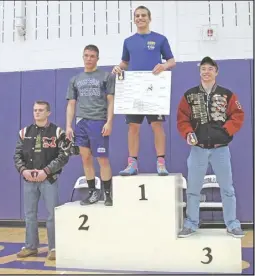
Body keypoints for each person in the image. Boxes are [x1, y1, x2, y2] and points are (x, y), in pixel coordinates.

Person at [177, 56, 245, 238]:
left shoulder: (227, 94)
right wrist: (188, 133)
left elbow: (238, 115)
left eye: (210, 69)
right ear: (199, 72)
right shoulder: (189, 95)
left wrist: (227, 131)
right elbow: (182, 118)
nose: (206, 72)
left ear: (216, 72)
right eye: (203, 69)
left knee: (227, 189)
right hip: (197, 149)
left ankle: (232, 223)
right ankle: (191, 223)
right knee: (193, 189)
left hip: (221, 149)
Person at [112, 5, 176, 176]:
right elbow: (125, 63)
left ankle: (161, 163)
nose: (140, 18)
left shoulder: (160, 39)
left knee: (157, 125)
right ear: (134, 19)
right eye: (137, 16)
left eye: (143, 15)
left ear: (149, 18)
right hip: (135, 89)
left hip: (154, 88)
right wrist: (118, 68)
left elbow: (172, 61)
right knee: (133, 127)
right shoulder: (128, 41)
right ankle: (132, 164)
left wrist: (163, 66)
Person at [13, 101, 69, 260]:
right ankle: (31, 247)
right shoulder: (24, 132)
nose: (37, 113)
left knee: (52, 215)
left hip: (49, 179)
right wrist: (24, 170)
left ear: (48, 112)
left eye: (40, 110)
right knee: (30, 214)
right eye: (35, 110)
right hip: (29, 180)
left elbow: (64, 155)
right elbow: (17, 156)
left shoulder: (58, 132)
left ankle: (54, 248)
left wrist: (47, 171)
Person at [66, 44, 115, 206]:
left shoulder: (106, 76)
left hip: (98, 121)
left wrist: (109, 122)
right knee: (85, 158)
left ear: (97, 58)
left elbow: (110, 101)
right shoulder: (75, 80)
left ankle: (108, 194)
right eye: (86, 55)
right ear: (83, 57)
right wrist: (68, 126)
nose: (89, 58)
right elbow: (71, 104)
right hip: (81, 123)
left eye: (92, 56)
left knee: (102, 159)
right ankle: (93, 193)